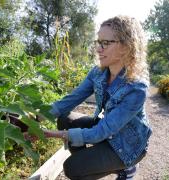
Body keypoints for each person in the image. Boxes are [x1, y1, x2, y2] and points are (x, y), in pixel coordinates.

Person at [26, 15, 152, 180]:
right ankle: (93, 164)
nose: (99, 48)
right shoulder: (98, 73)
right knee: (66, 119)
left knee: (72, 168)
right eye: (98, 42)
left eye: (105, 43)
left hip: (128, 145)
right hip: (109, 130)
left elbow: (102, 131)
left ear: (126, 46)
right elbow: (71, 100)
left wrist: (51, 134)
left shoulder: (137, 88)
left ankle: (126, 166)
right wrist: (35, 117)